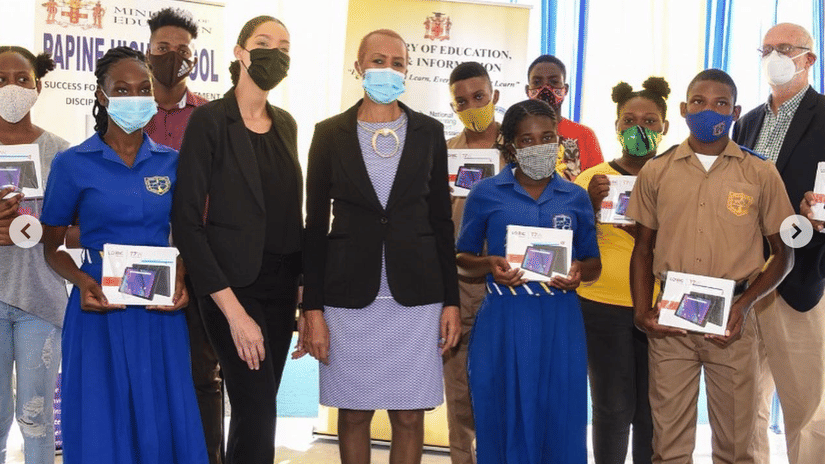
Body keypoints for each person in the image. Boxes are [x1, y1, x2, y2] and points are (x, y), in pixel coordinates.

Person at [300, 29, 461, 464]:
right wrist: (311, 308)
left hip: (418, 298)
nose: (388, 70)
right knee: (353, 414)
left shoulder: (429, 132)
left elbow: (441, 222)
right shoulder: (328, 133)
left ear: (407, 70)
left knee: (409, 416)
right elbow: (315, 226)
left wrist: (451, 301)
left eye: (397, 62)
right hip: (348, 298)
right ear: (358, 67)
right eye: (377, 60)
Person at [39, 46, 206, 464]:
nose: (135, 97)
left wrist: (182, 272)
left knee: (162, 414)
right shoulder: (72, 163)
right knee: (102, 416)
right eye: (122, 89)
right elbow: (51, 247)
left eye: (143, 89)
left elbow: (189, 235)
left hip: (159, 310)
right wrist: (82, 282)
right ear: (102, 95)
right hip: (99, 307)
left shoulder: (172, 163)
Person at [627, 69, 794, 464]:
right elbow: (643, 249)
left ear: (735, 112)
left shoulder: (760, 172)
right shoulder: (657, 170)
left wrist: (745, 305)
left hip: (732, 322)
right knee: (668, 445)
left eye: (721, 104)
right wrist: (641, 311)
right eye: (699, 102)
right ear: (684, 109)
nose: (708, 111)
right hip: (671, 321)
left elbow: (784, 254)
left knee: (737, 445)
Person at [171, 16, 301, 464]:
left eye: (284, 46)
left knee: (257, 411)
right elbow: (187, 222)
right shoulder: (209, 120)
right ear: (240, 52)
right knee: (257, 409)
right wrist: (233, 312)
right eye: (263, 42)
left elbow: (292, 213)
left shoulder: (286, 124)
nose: (274, 52)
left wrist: (305, 294)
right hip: (231, 290)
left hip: (281, 289)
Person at [456, 99, 601, 464]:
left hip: (560, 319)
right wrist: (488, 264)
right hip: (504, 319)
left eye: (547, 137)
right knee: (502, 410)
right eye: (527, 140)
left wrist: (579, 272)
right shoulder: (485, 192)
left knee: (560, 415)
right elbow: (462, 258)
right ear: (511, 145)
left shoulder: (576, 196)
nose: (539, 146)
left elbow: (593, 263)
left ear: (558, 141)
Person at [732, 22, 825, 464]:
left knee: (807, 410)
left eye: (785, 48)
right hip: (747, 282)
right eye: (766, 49)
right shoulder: (747, 123)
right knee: (743, 407)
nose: (774, 57)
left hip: (802, 279)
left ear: (809, 59)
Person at [575, 77, 670, 464]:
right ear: (616, 125)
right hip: (600, 305)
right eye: (629, 120)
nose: (638, 128)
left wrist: (645, 231)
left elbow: (693, 241)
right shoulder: (591, 180)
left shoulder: (676, 178)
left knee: (650, 410)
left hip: (661, 306)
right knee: (612, 408)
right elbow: (570, 245)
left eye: (649, 121)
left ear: (664, 127)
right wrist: (588, 207)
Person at [144, 9, 222, 464]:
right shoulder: (127, 112)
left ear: (194, 58)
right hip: (138, 262)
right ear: (148, 52)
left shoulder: (211, 116)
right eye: (163, 48)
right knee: (145, 372)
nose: (172, 57)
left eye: (182, 50)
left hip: (200, 262)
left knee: (202, 375)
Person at [0, 46, 68, 464]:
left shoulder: (61, 152)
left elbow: (78, 229)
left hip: (40, 301)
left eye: (22, 79)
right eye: (1, 79)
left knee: (36, 418)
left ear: (38, 86)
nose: (12, 87)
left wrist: (44, 230)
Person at [443, 60, 501, 464]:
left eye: (479, 97)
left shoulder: (521, 148)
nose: (472, 106)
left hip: (510, 282)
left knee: (502, 387)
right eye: (462, 102)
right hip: (460, 284)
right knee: (460, 392)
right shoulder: (445, 153)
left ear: (494, 96)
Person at [525, 54, 603, 180]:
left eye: (554, 82)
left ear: (565, 89)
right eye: (537, 82)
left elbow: (597, 183)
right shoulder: (517, 134)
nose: (545, 89)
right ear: (527, 90)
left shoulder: (585, 135)